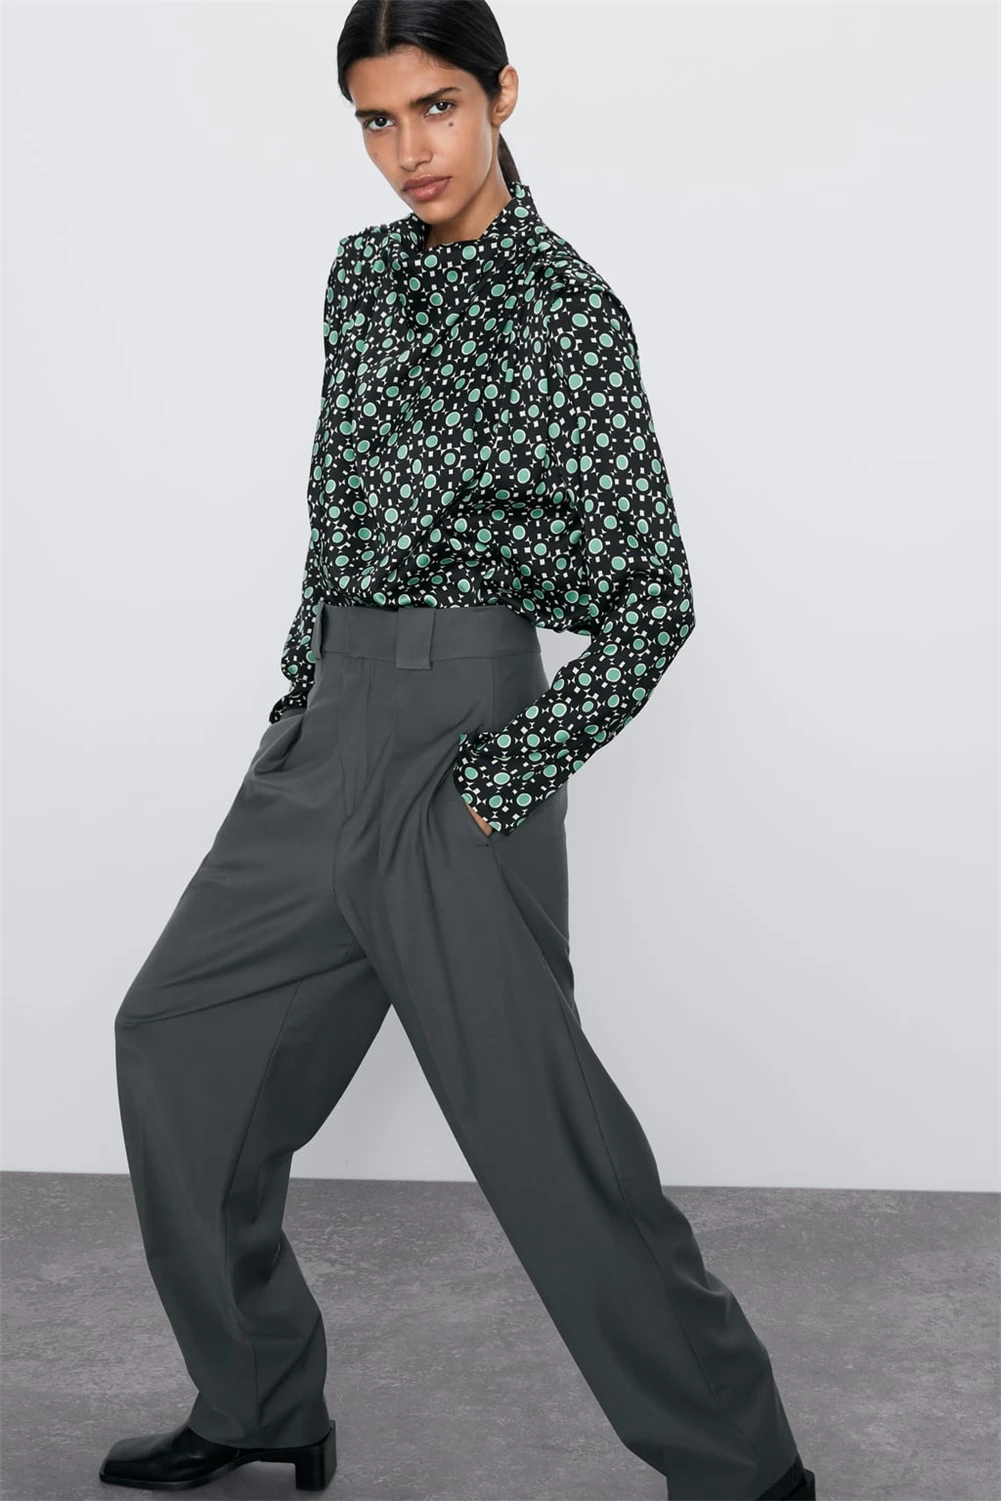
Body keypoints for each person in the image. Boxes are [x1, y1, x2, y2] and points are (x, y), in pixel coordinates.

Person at [100, 3, 817, 1498]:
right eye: (376, 119)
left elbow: (655, 602)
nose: (407, 150)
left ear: (502, 95)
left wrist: (496, 784)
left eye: (436, 107)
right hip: (330, 731)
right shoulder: (359, 280)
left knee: (544, 1142)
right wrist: (300, 703)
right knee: (174, 1040)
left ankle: (743, 1467)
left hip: (463, 744)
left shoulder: (566, 308)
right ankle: (261, 1399)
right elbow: (337, 508)